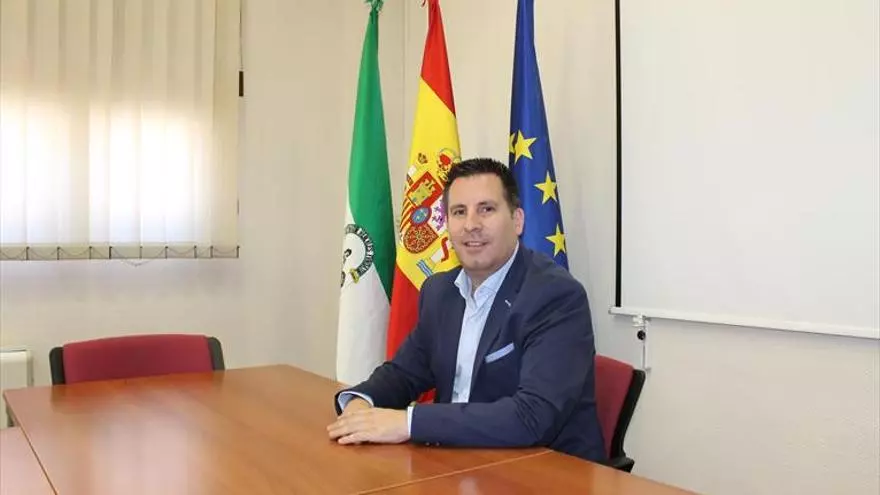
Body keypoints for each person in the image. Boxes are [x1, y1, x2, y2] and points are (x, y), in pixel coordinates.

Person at [327, 157, 605, 462]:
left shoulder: (555, 296)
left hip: (545, 469)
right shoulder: (440, 291)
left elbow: (531, 416)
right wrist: (362, 402)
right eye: (459, 212)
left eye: (486, 209)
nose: (471, 224)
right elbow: (404, 372)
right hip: (458, 459)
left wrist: (408, 423)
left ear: (517, 221)